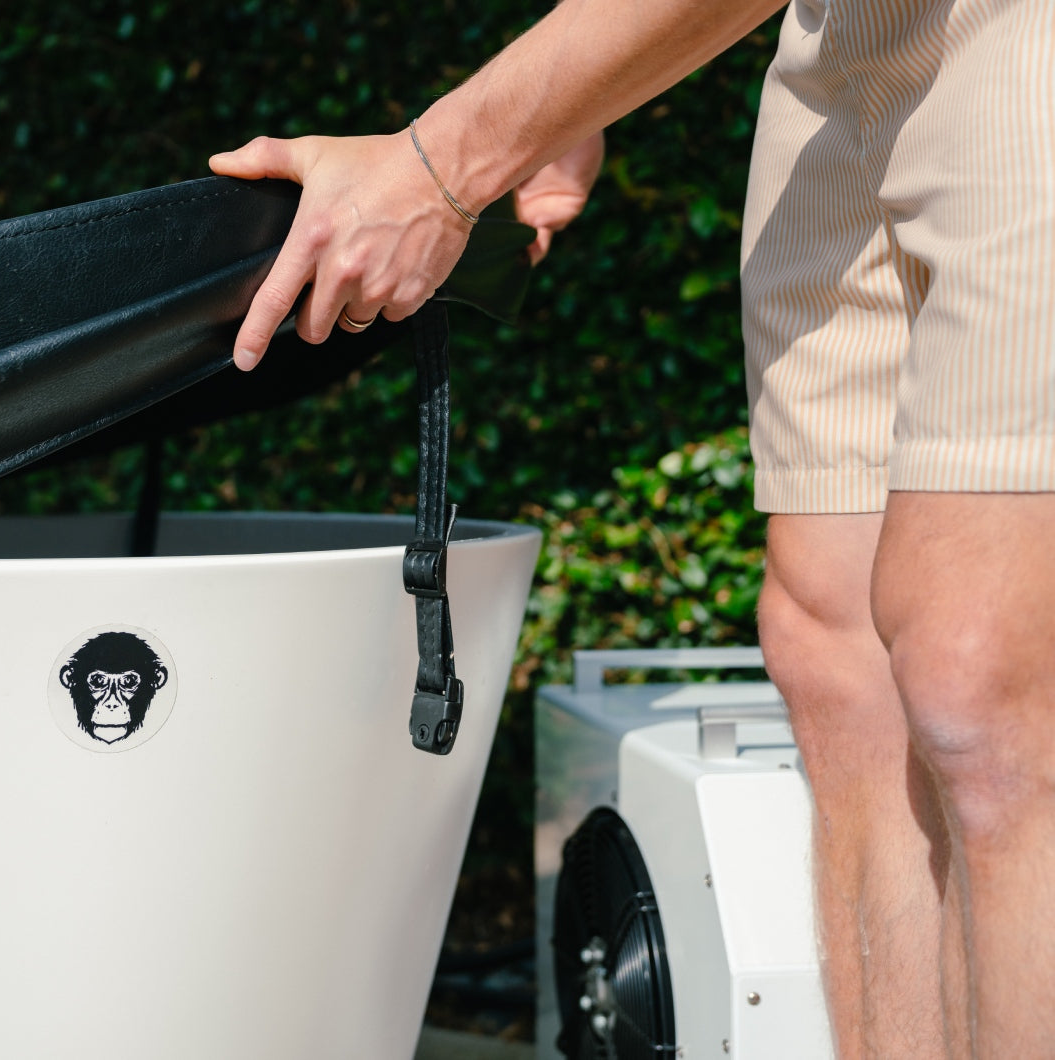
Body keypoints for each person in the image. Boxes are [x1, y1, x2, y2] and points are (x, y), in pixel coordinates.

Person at [209, 0, 1055, 1055]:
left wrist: (446, 162)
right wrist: (580, 78)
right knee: (837, 668)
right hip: (844, 37)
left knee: (985, 685)